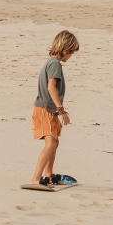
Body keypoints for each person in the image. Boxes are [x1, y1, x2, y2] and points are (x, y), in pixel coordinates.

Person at [29, 30, 80, 187]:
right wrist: (61, 109)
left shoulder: (50, 63)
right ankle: (35, 179)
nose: (70, 57)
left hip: (48, 110)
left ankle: (49, 176)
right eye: (71, 53)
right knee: (50, 144)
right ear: (66, 50)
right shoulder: (55, 64)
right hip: (45, 109)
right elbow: (51, 88)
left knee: (54, 143)